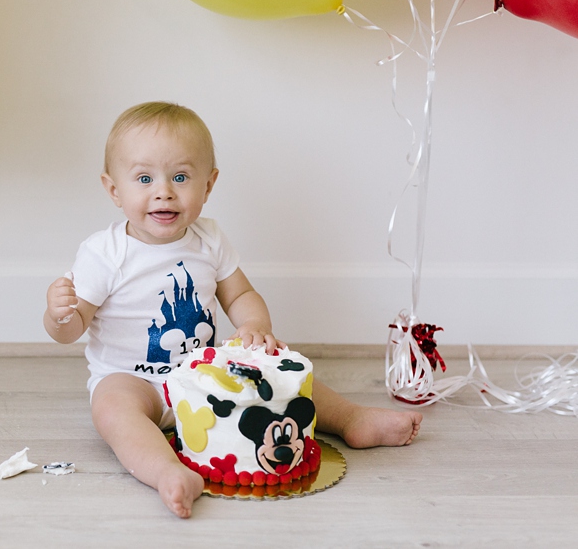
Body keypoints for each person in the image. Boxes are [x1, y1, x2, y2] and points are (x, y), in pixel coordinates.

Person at [43, 102, 421, 518]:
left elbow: (239, 295)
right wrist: (59, 315)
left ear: (208, 185)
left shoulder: (209, 239)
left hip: (205, 373)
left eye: (181, 177)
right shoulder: (105, 253)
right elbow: (71, 328)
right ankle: (166, 471)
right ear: (114, 189)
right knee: (113, 411)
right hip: (134, 381)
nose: (164, 190)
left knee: (278, 372)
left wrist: (255, 326)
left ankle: (350, 418)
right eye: (144, 178)